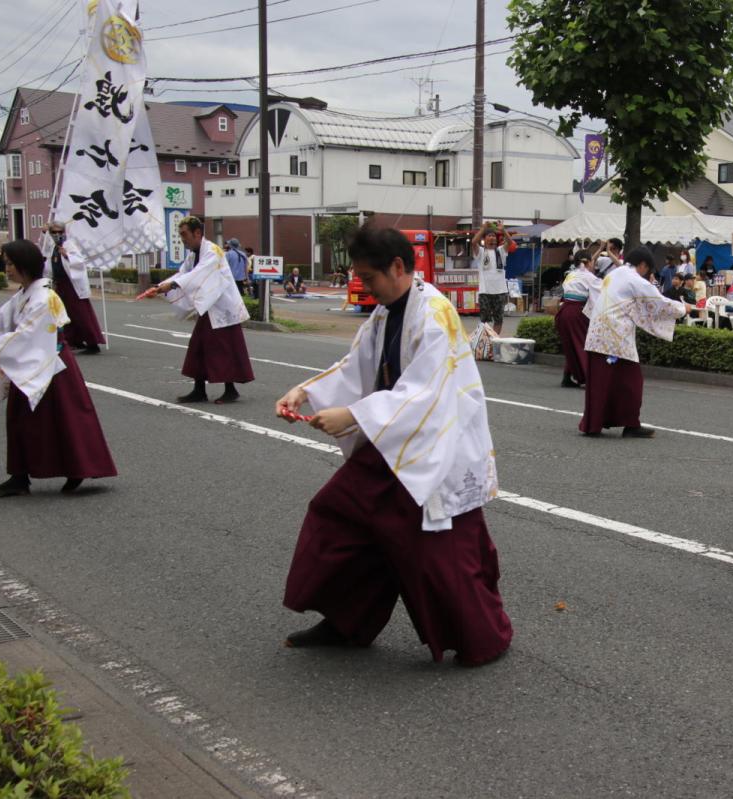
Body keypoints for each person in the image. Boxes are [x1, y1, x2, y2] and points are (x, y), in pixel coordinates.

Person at [276, 226, 511, 665]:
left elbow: (425, 392)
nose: (364, 286)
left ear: (398, 267)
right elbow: (356, 364)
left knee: (438, 555)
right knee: (338, 516)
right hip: (393, 444)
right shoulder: (385, 312)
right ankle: (346, 621)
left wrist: (354, 414)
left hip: (434, 450)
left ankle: (483, 637)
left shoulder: (434, 312)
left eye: (369, 277)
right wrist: (305, 391)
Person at [0, 239, 117, 496]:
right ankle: (19, 476)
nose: (7, 269)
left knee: (64, 420)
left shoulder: (44, 296)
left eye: (11, 264)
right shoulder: (24, 294)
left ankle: (77, 468)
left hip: (53, 366)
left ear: (25, 265)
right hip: (32, 363)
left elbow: (27, 334)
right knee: (20, 420)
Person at [580, 246, 688, 438]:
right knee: (631, 383)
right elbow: (658, 302)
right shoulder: (635, 279)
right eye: (648, 269)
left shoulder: (615, 274)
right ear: (643, 265)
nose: (647, 274)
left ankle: (594, 422)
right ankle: (630, 423)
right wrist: (682, 308)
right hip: (615, 338)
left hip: (598, 333)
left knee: (601, 382)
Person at [146, 216, 254, 404]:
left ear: (197, 233)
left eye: (184, 234)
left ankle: (230, 390)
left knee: (224, 349)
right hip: (208, 308)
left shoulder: (212, 251)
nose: (182, 239)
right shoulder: (193, 254)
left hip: (222, 309)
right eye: (180, 235)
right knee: (199, 348)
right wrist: (160, 286)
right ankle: (199, 389)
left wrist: (171, 286)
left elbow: (197, 275)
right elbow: (184, 273)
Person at [42, 222, 104, 354]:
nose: (57, 235)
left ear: (64, 232)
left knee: (81, 314)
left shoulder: (69, 245)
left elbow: (80, 262)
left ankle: (92, 343)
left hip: (73, 285)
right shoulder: (52, 246)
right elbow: (43, 251)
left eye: (60, 232)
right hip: (59, 284)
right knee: (62, 313)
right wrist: (45, 233)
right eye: (54, 232)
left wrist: (67, 255)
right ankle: (74, 340)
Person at [555, 249, 599, 389]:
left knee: (571, 345)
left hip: (564, 311)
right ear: (588, 262)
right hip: (577, 312)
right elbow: (599, 297)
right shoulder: (590, 277)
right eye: (592, 261)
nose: (594, 264)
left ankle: (567, 377)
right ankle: (587, 378)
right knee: (582, 344)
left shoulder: (571, 274)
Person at [471, 223, 513, 335]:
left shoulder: (501, 251)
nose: (492, 237)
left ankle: (494, 341)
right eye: (489, 235)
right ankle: (485, 342)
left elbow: (510, 242)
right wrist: (483, 229)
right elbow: (474, 242)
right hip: (485, 291)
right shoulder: (480, 251)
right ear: (484, 239)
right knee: (484, 320)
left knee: (499, 320)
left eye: (493, 235)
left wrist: (503, 230)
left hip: (500, 291)